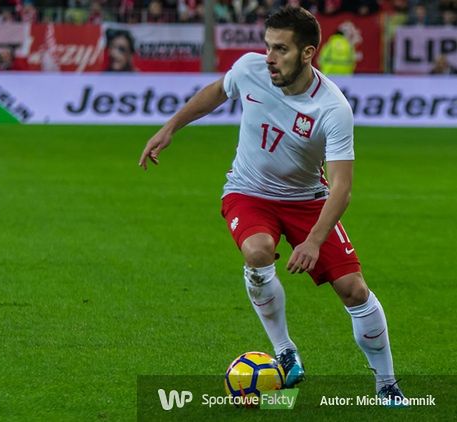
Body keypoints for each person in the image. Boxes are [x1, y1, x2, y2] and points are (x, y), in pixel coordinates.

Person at [138, 6, 406, 403]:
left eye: (281, 49)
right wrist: (171, 127)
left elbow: (342, 188)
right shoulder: (250, 69)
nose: (269, 58)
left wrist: (313, 241)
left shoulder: (332, 108)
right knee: (257, 251)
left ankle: (386, 384)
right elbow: (217, 90)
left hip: (308, 201)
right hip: (248, 192)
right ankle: (284, 350)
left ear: (308, 53)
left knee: (353, 289)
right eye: (267, 46)